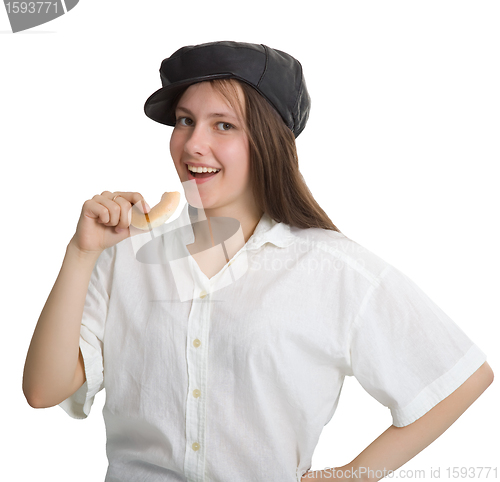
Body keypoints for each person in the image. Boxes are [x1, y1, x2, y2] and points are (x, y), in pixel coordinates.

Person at [23, 41, 493, 482]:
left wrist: (353, 474)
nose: (192, 145)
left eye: (223, 125)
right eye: (185, 121)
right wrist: (81, 253)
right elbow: (44, 391)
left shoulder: (331, 268)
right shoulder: (124, 253)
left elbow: (460, 378)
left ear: (268, 142)